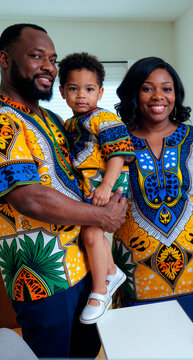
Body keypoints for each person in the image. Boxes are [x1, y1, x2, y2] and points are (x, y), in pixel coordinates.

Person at [0, 24, 127, 358]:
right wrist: (103, 215)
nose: (49, 67)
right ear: (5, 59)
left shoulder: (52, 118)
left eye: (52, 59)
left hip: (84, 265)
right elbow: (28, 197)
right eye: (36, 56)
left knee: (87, 351)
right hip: (43, 276)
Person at [112, 56, 193, 306]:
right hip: (136, 263)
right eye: (147, 88)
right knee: (141, 337)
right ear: (134, 94)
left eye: (167, 89)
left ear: (176, 95)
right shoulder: (116, 141)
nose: (158, 96)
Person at [58, 52, 134, 323]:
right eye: (73, 89)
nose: (81, 95)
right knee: (94, 237)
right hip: (88, 187)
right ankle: (112, 271)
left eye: (89, 89)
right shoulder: (69, 124)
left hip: (106, 184)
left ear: (100, 92)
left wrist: (106, 185)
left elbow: (119, 153)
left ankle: (100, 291)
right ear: (62, 92)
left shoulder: (104, 119)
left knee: (91, 236)